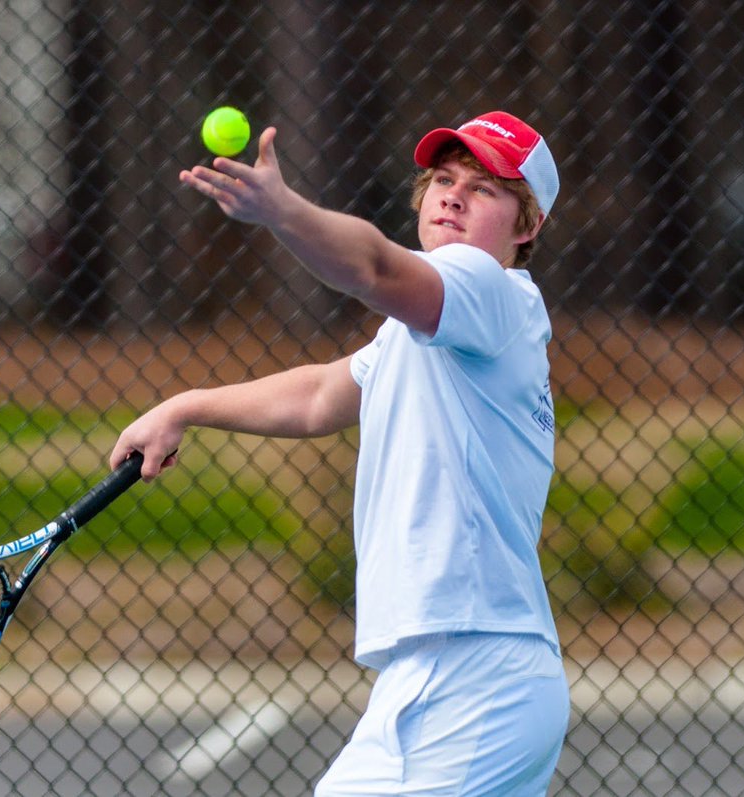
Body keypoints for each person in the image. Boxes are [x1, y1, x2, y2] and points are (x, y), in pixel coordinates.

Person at [109, 110, 569, 795]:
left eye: (484, 188)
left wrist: (283, 210)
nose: (452, 195)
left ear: (526, 225)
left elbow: (372, 265)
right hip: (437, 677)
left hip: (477, 677)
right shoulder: (424, 332)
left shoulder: (485, 290)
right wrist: (187, 406)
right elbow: (321, 395)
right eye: (444, 178)